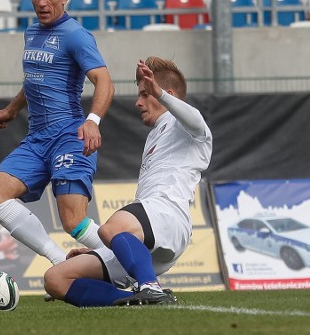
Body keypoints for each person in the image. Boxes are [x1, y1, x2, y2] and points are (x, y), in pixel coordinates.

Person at [43, 57, 213, 306]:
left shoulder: (187, 128)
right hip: (149, 234)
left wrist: (161, 95)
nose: (138, 102)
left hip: (169, 218)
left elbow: (196, 120)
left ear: (167, 94)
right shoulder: (156, 134)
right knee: (57, 279)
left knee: (111, 228)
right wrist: (112, 249)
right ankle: (135, 301)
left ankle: (150, 287)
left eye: (145, 94)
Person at [0, 0, 114, 266]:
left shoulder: (76, 35)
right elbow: (36, 79)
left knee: (73, 221)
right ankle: (59, 260)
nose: (42, 2)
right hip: (36, 139)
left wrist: (92, 121)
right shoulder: (31, 33)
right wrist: (12, 109)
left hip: (69, 136)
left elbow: (105, 81)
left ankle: (133, 269)